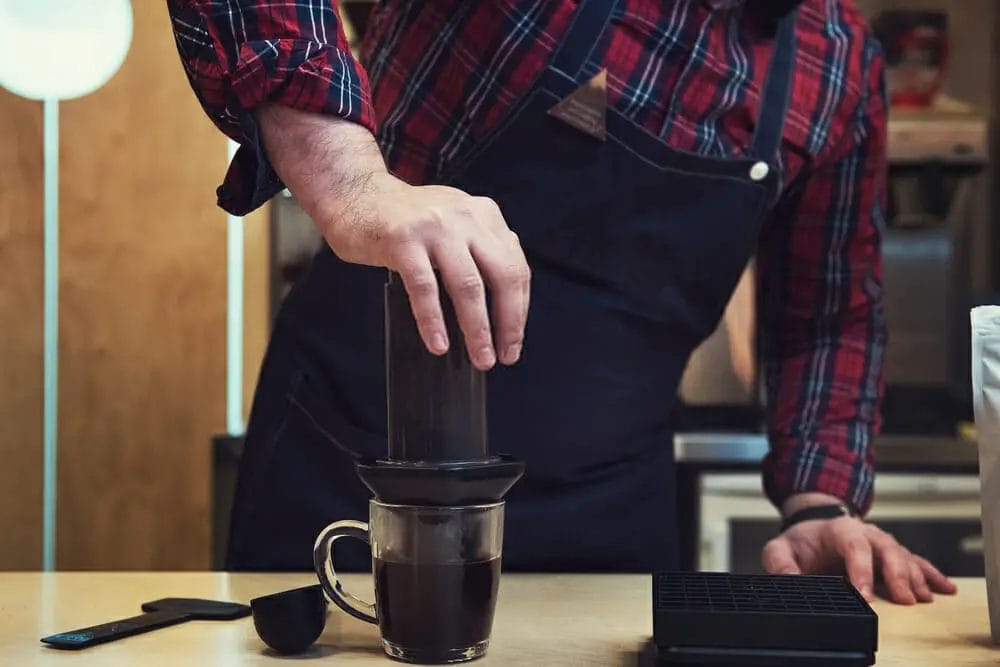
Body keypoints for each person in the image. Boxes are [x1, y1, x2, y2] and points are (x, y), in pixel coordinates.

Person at [169, 0, 956, 604]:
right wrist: (348, 181)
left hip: (607, 516)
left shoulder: (838, 63)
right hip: (353, 481)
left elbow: (827, 317)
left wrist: (818, 501)